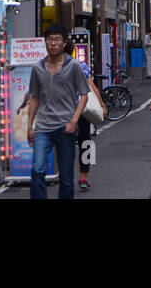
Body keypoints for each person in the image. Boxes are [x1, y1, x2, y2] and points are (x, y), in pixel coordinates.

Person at [26, 25, 89, 199]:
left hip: (66, 126)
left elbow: (84, 96)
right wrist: (30, 125)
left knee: (67, 176)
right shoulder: (37, 68)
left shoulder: (74, 65)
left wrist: (74, 121)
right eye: (50, 40)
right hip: (43, 126)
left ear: (64, 42)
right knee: (37, 169)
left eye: (57, 40)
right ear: (45, 42)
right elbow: (35, 97)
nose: (53, 43)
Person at [76, 55, 106, 193]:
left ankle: (67, 176)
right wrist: (101, 104)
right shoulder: (81, 65)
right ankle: (84, 176)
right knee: (86, 141)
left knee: (66, 142)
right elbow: (92, 86)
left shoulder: (53, 66)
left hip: (65, 110)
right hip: (84, 109)